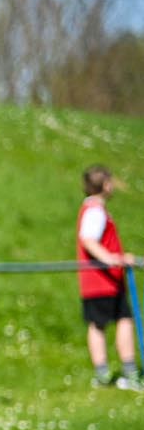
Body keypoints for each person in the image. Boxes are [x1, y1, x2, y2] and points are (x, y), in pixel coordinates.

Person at [75, 165, 141, 390]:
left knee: (104, 324)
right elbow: (88, 239)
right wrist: (112, 259)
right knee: (119, 321)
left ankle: (106, 373)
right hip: (103, 281)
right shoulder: (95, 211)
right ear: (105, 185)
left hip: (101, 281)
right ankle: (126, 372)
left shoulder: (93, 209)